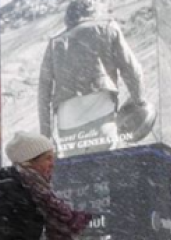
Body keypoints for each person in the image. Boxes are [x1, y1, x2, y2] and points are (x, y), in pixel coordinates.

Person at [38, 0, 146, 155]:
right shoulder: (108, 29)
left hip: (68, 128)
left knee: (79, 174)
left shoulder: (55, 44)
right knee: (107, 171)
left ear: (69, 18)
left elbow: (44, 93)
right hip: (102, 119)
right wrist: (139, 101)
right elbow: (132, 70)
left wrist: (46, 137)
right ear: (93, 11)